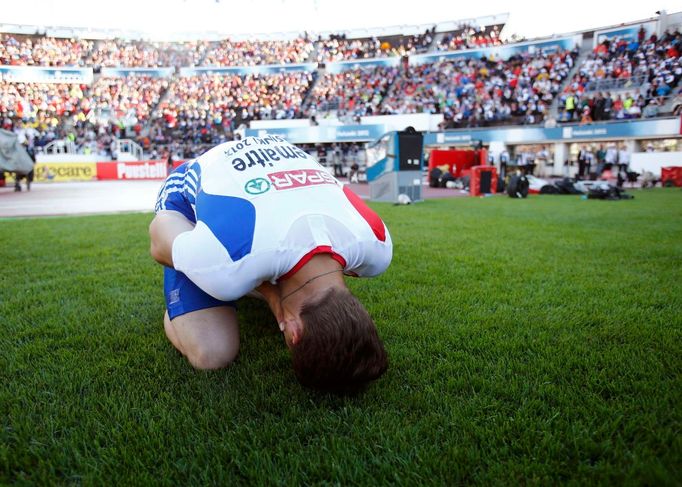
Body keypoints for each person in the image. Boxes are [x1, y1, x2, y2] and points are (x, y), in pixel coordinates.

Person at [149, 135, 392, 393]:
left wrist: (272, 295)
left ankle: (235, 278)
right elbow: (157, 236)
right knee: (211, 353)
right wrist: (197, 264)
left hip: (275, 158)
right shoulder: (225, 262)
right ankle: (188, 292)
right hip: (197, 181)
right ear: (294, 331)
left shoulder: (378, 244)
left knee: (237, 275)